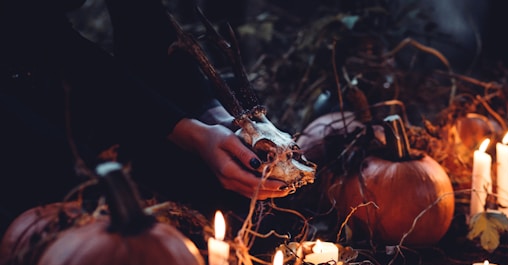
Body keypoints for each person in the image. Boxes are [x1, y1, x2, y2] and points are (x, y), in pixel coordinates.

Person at [0, 0, 294, 232]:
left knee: (205, 185)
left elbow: (142, 22)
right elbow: (53, 43)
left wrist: (211, 114)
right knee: (96, 196)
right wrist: (187, 131)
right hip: (19, 90)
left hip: (64, 72)